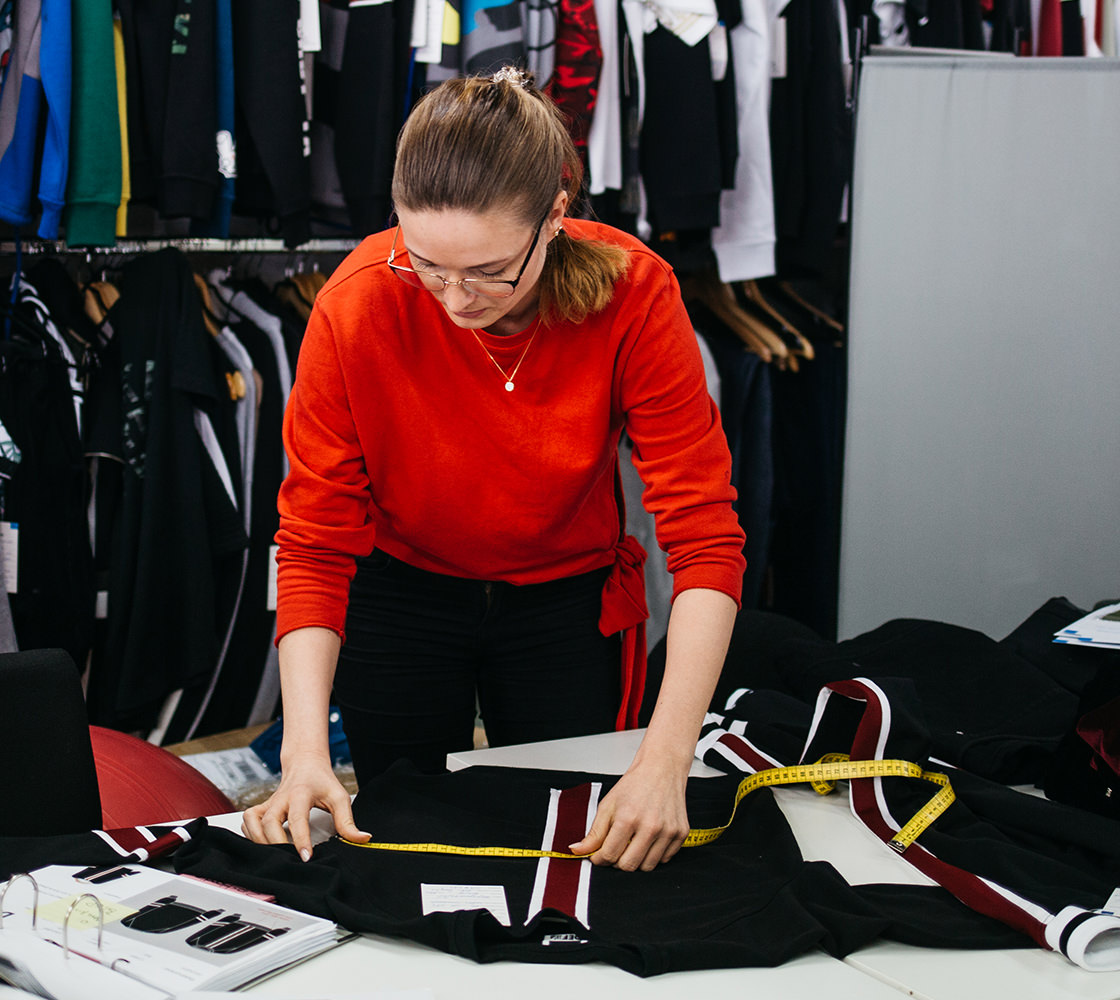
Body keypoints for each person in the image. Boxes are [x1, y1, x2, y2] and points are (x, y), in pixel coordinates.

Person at [242, 69, 746, 873]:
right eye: (427, 264)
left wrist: (665, 760)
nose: (455, 298)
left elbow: (705, 538)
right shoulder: (358, 302)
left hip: (566, 603)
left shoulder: (635, 293)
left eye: (489, 271)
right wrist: (304, 752)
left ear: (554, 217)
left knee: (573, 839)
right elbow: (312, 542)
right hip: (399, 596)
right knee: (404, 838)